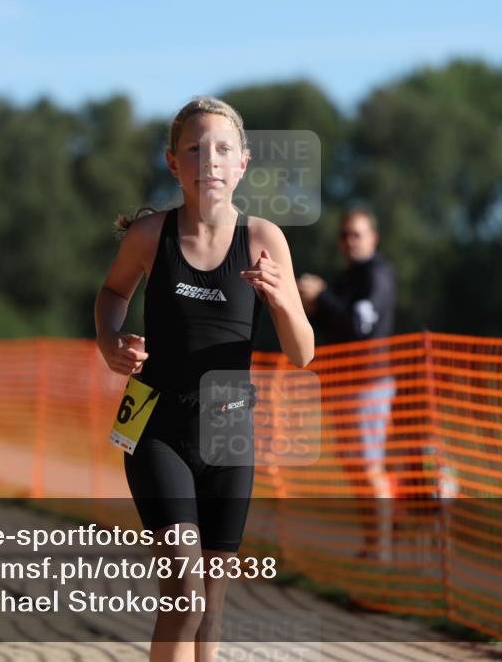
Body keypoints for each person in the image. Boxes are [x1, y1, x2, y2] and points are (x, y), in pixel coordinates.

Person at [95, 96, 314, 662]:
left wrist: (280, 301)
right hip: (156, 425)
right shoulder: (150, 236)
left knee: (213, 606)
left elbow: (303, 352)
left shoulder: (265, 239)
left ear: (242, 163)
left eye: (221, 149)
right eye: (194, 149)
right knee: (185, 598)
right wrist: (110, 342)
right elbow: (112, 294)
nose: (208, 160)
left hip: (229, 427)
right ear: (174, 164)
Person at [297, 207, 404, 561]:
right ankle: (374, 541)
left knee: (368, 465)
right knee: (355, 466)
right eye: (344, 235)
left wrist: (322, 296)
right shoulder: (348, 277)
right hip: (345, 383)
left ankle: (383, 547)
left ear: (373, 238)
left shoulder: (377, 273)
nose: (349, 241)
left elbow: (361, 326)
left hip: (369, 383)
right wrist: (313, 306)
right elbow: (338, 327)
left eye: (356, 234)